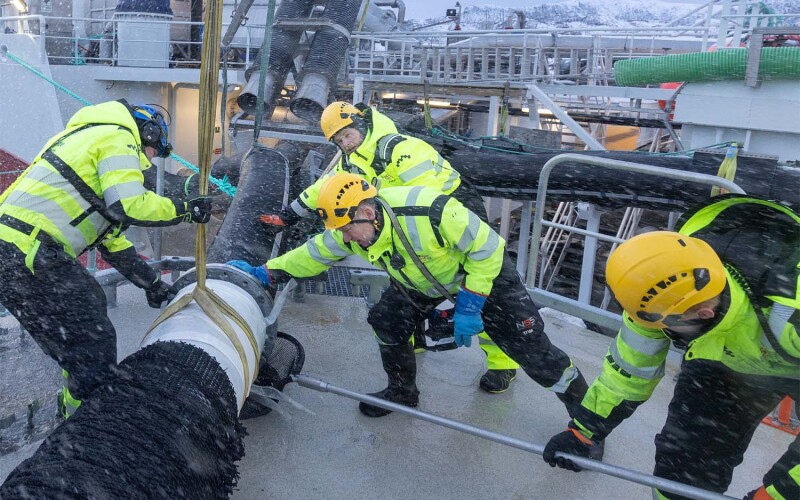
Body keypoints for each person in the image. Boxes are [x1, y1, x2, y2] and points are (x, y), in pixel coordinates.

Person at [228, 173, 601, 455]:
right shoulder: (351, 226)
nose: (348, 240)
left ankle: (587, 430)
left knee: (536, 354)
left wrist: (471, 302)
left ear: (369, 212)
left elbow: (488, 249)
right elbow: (316, 251)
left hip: (484, 276)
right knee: (387, 320)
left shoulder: (430, 209)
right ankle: (402, 392)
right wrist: (271, 272)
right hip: (420, 278)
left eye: (350, 231)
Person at [260, 100, 520, 393]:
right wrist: (290, 215)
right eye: (339, 141)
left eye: (348, 135)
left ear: (361, 125)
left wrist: (365, 206)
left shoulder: (400, 149)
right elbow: (326, 188)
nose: (346, 143)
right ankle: (411, 345)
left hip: (449, 215)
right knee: (406, 293)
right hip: (396, 224)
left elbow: (424, 199)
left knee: (484, 293)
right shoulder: (352, 163)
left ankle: (502, 363)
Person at [543, 228, 799, 499]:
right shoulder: (654, 298)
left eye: (667, 327)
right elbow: (629, 372)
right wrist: (585, 431)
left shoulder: (790, 319)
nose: (659, 332)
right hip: (726, 362)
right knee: (682, 464)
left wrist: (776, 495)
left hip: (787, 355)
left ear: (704, 313)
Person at [0, 99, 212, 417]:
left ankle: (73, 411)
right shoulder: (116, 135)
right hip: (29, 251)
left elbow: (113, 245)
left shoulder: (89, 144)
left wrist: (152, 284)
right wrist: (185, 209)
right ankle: (85, 425)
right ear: (148, 133)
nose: (149, 162)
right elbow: (129, 205)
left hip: (15, 253)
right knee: (92, 339)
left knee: (76, 336)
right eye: (154, 152)